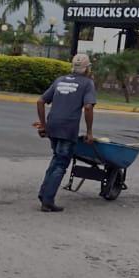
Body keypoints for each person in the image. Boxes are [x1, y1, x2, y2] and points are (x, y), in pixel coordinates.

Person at [35, 53, 97, 213]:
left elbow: (41, 101)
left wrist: (43, 124)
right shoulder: (87, 83)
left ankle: (44, 194)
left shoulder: (60, 80)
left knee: (56, 159)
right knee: (61, 163)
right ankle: (47, 201)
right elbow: (88, 107)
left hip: (53, 126)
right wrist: (89, 132)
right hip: (67, 129)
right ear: (87, 68)